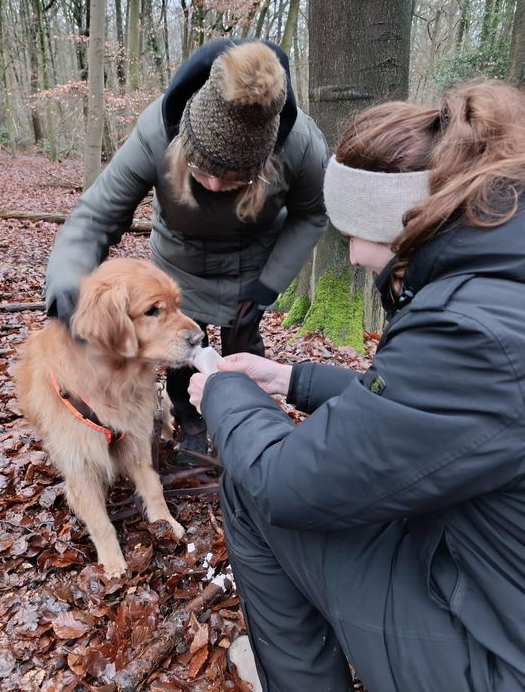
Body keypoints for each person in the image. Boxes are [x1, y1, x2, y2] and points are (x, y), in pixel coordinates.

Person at [189, 79, 525, 691]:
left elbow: (286, 485)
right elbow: (438, 416)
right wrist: (294, 379)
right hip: (496, 582)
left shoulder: (472, 332)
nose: (351, 257)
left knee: (250, 486)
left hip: (496, 657)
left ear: (401, 220)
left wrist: (222, 394)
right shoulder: (501, 291)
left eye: (353, 233)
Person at [45, 38, 328, 464]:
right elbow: (96, 216)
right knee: (179, 351)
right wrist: (68, 287)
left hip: (252, 265)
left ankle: (248, 431)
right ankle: (189, 422)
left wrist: (267, 286)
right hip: (178, 264)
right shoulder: (158, 129)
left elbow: (313, 214)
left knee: (243, 350)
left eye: (235, 178)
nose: (214, 186)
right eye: (203, 169)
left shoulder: (301, 145)